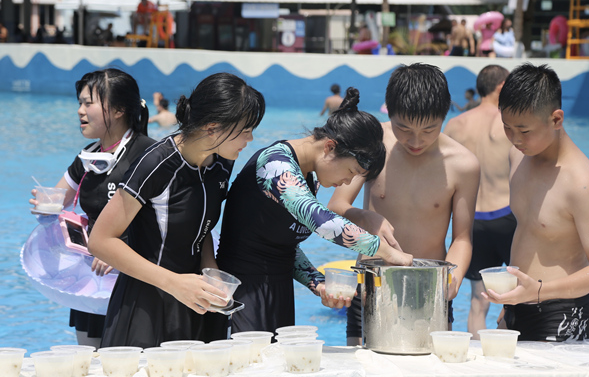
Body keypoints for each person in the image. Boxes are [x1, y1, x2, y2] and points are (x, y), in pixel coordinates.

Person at [210, 87, 413, 338]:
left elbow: (281, 245)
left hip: (277, 291)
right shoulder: (276, 165)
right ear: (329, 147)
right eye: (350, 171)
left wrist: (317, 283)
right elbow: (323, 222)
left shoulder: (308, 177)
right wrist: (386, 252)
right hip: (241, 292)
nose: (347, 182)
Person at [87, 72, 266, 348]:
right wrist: (174, 283)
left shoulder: (220, 163)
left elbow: (200, 225)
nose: (251, 138)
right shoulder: (156, 164)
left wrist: (211, 270)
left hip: (196, 303)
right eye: (245, 129)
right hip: (145, 308)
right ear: (212, 129)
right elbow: (100, 241)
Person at [328, 63, 480, 346]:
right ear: (389, 112)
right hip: (371, 285)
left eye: (429, 129)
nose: (415, 140)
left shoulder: (463, 165)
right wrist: (367, 218)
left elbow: (462, 238)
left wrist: (455, 274)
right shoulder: (375, 143)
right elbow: (336, 206)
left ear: (445, 116)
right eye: (403, 127)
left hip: (431, 291)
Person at [29, 68, 154, 348]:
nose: (80, 110)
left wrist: (120, 250)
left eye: (88, 103)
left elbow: (167, 221)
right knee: (89, 361)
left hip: (135, 281)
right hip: (92, 281)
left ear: (119, 109)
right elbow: (58, 198)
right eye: (79, 103)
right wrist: (43, 206)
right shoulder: (88, 156)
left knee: (126, 362)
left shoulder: (148, 155)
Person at [484, 63, 589, 341]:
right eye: (507, 128)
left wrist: (536, 291)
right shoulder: (519, 158)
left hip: (564, 316)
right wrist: (510, 306)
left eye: (524, 131)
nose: (514, 139)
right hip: (516, 310)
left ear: (556, 119)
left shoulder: (581, 181)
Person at [443, 65, 515, 339]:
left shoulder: (456, 124)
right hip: (507, 216)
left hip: (472, 222)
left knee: (477, 300)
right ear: (501, 87)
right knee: (512, 297)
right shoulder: (511, 122)